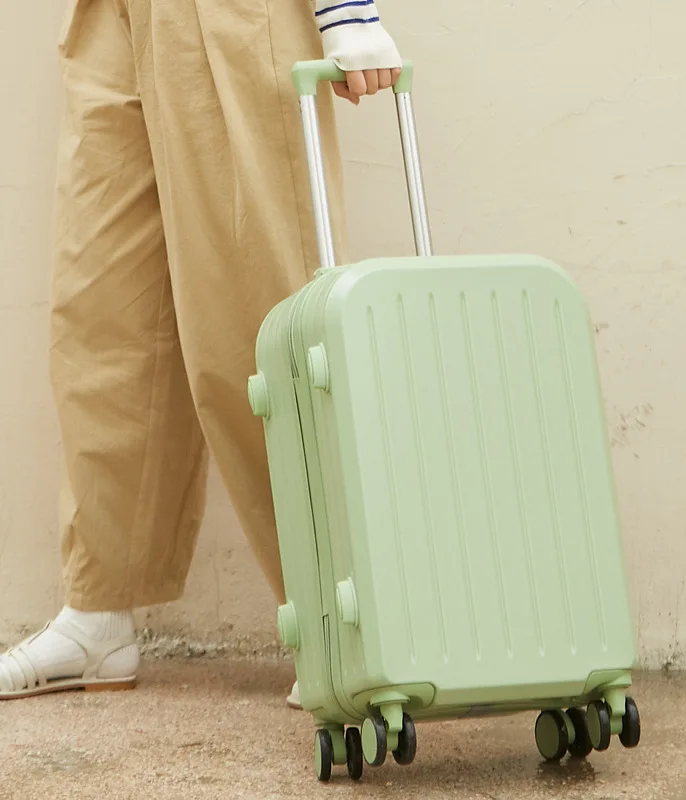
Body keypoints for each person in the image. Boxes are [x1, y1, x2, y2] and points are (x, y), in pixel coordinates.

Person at [0, 0, 402, 706]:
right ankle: (100, 607)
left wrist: (346, 8)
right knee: (104, 309)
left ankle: (340, 624)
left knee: (261, 304)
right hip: (114, 16)